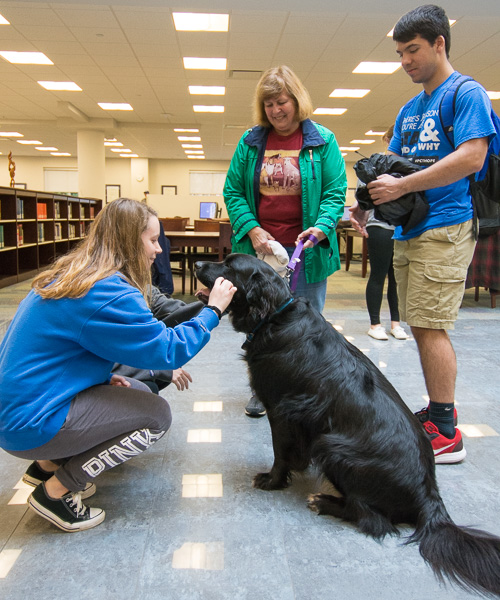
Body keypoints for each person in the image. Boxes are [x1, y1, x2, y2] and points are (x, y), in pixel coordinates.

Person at [0, 198, 236, 532]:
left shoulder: (76, 274)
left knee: (139, 390)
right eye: (152, 240)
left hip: (20, 407)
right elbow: (168, 351)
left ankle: (46, 465)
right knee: (156, 416)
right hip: (29, 423)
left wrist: (100, 377)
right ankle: (56, 492)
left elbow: (63, 351)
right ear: (129, 240)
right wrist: (213, 310)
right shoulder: (108, 292)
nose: (158, 250)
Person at [349, 4, 496, 463]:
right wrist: (364, 202)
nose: (405, 61)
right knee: (418, 322)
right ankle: (436, 411)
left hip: (447, 225)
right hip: (409, 229)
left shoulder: (466, 93)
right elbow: (388, 167)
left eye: (412, 50)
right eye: (399, 53)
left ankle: (447, 432)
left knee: (432, 325)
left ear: (439, 43)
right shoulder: (410, 109)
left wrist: (404, 185)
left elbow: (472, 157)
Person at [223, 64, 347, 417]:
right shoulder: (251, 142)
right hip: (260, 251)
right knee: (260, 324)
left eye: (282, 102)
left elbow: (335, 191)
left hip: (306, 251)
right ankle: (262, 390)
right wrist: (252, 229)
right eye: (269, 104)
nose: (276, 111)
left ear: (297, 101)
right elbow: (233, 191)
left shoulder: (322, 141)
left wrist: (321, 227)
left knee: (306, 324)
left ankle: (304, 388)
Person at [361, 126, 409, 341]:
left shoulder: (408, 164)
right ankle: (375, 324)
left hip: (402, 228)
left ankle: (396, 324)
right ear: (388, 140)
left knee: (396, 278)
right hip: (379, 227)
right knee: (378, 275)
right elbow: (364, 198)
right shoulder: (375, 164)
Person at [112, 286, 204, 394]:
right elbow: (112, 360)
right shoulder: (108, 293)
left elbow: (170, 308)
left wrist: (213, 305)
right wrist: (156, 371)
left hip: (122, 364)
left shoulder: (140, 286)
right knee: (149, 385)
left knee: (167, 367)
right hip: (103, 373)